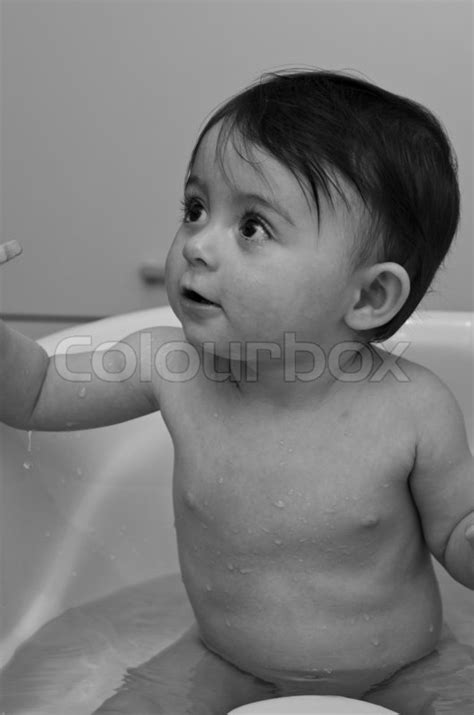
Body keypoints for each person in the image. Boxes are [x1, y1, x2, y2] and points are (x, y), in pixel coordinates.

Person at [1, 69, 473, 714]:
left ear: (367, 296)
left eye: (252, 227)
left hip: (407, 671)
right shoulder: (169, 366)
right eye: (195, 208)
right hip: (227, 663)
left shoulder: (413, 406)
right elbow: (33, 392)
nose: (197, 244)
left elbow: (457, 533)